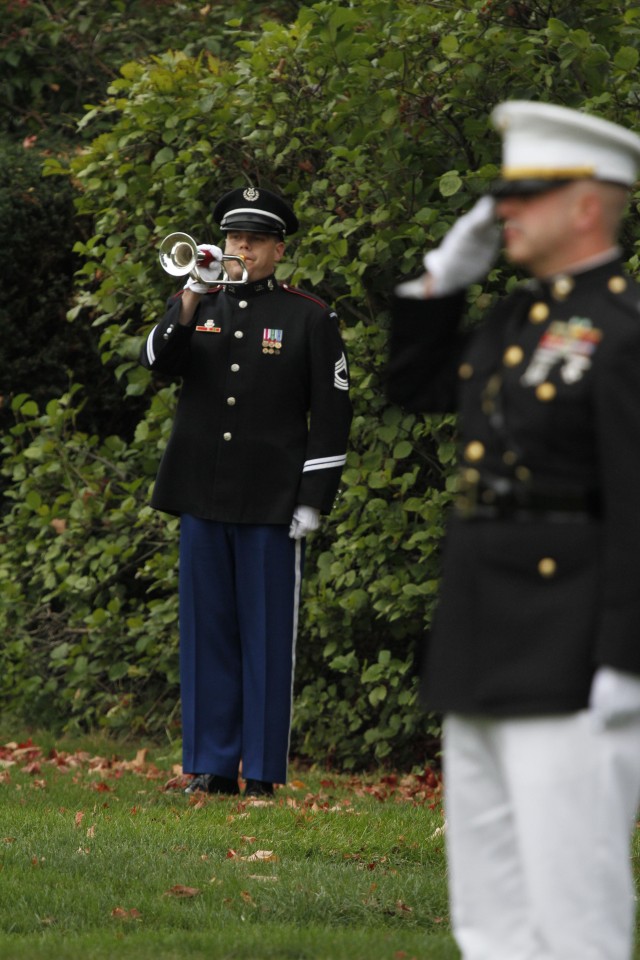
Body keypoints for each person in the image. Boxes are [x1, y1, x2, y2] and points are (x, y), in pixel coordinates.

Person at [387, 100, 640, 960]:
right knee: (488, 907)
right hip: (481, 629)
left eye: (526, 196)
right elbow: (414, 388)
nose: (504, 212)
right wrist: (437, 282)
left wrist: (625, 657)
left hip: (571, 647)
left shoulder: (624, 333)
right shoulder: (509, 321)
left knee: (575, 907)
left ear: (585, 206)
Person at [141, 186, 352, 798]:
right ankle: (210, 764)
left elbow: (334, 413)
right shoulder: (200, 303)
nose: (242, 249)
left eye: (255, 241)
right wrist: (189, 294)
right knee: (207, 634)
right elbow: (158, 361)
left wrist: (313, 497)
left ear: (277, 250)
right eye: (235, 238)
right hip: (202, 494)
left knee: (264, 638)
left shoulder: (309, 316)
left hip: (270, 502)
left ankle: (260, 772)